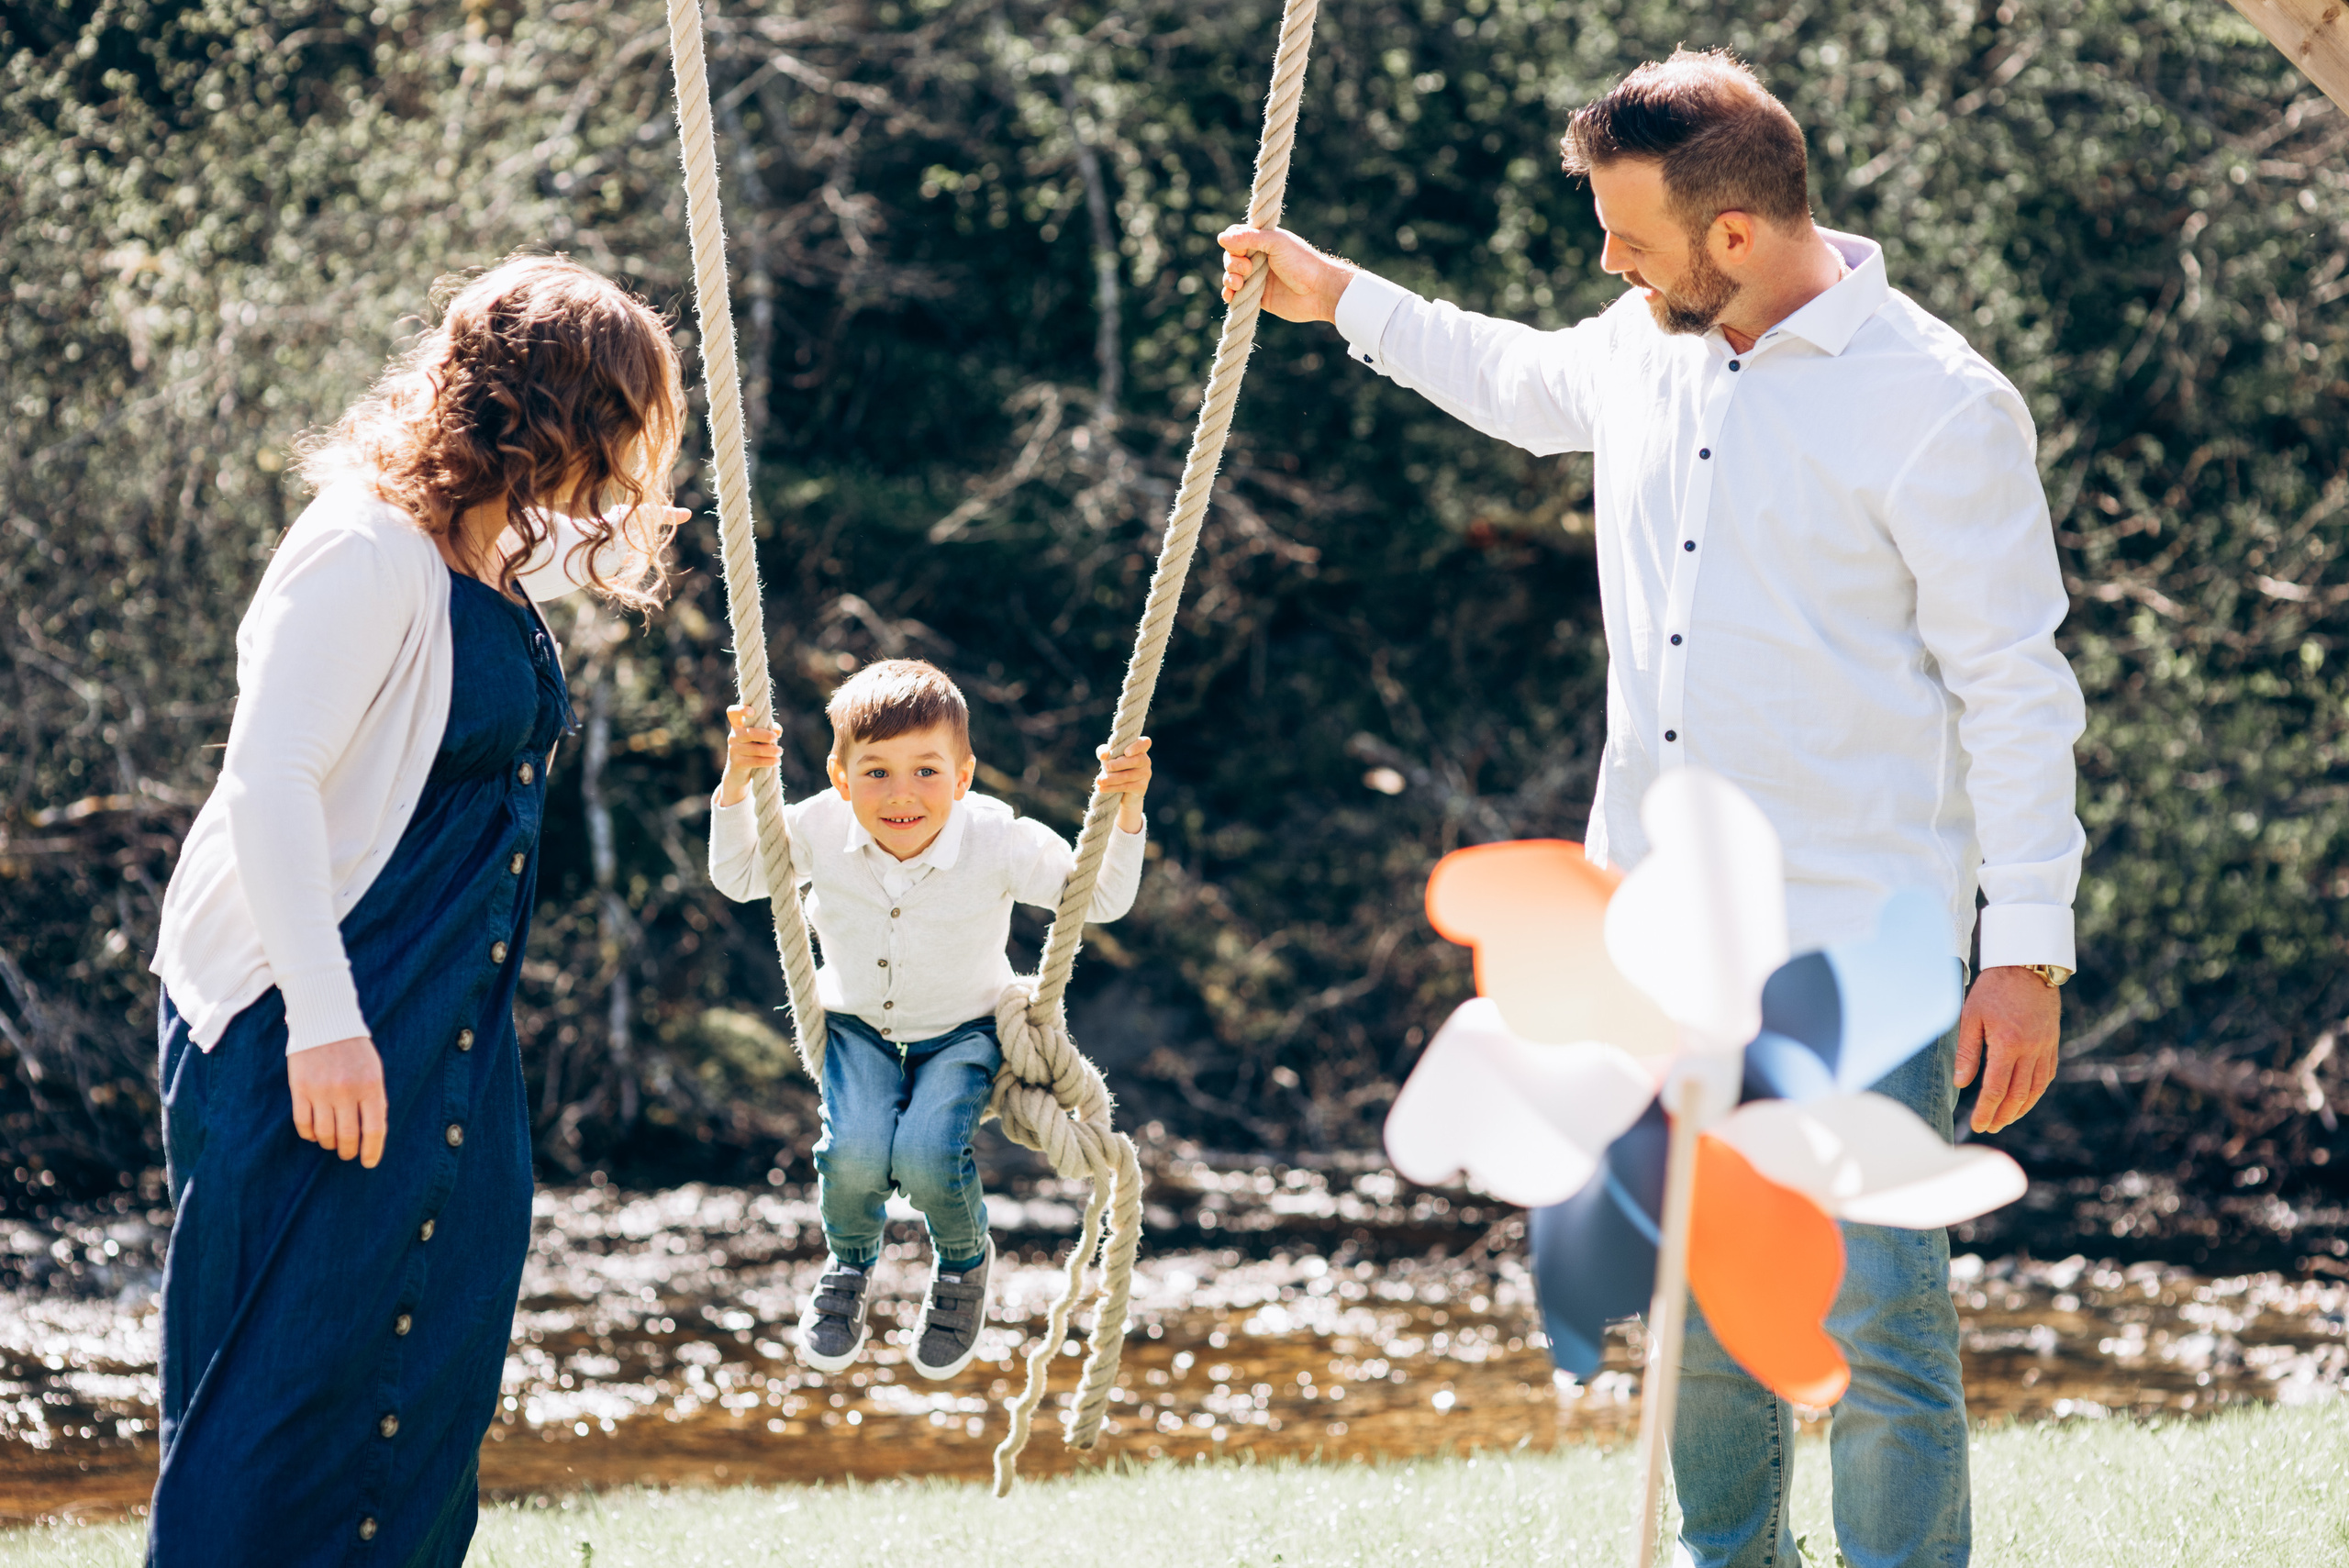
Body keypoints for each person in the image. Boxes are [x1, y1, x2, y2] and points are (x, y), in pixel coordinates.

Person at [1218, 49, 2085, 1568]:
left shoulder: (1943, 407)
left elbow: (2016, 690)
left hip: (1862, 932)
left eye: (1628, 235)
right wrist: (1337, 293)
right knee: (1701, 1294)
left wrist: (2026, 949)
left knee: (1881, 1309)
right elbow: (1509, 378)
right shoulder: (1646, 343)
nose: (1606, 261)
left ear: (1734, 232)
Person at [145, 255, 687, 1566]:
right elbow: (268, 782)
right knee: (280, 1398)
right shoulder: (363, 545)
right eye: (616, 425)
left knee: (423, 1384)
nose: (624, 465)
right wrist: (326, 1025)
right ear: (557, 411)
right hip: (311, 1018)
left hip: (446, 1028)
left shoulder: (492, 567)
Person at [709, 660, 1152, 1377]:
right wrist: (736, 785)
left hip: (963, 1030)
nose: (902, 794)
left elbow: (1095, 896)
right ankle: (850, 1262)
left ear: (964, 774)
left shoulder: (998, 836)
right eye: (877, 772)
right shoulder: (818, 825)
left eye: (926, 770)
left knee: (923, 1155)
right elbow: (739, 876)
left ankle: (962, 1263)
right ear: (842, 775)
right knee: (853, 1156)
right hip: (856, 1028)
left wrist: (1125, 811)